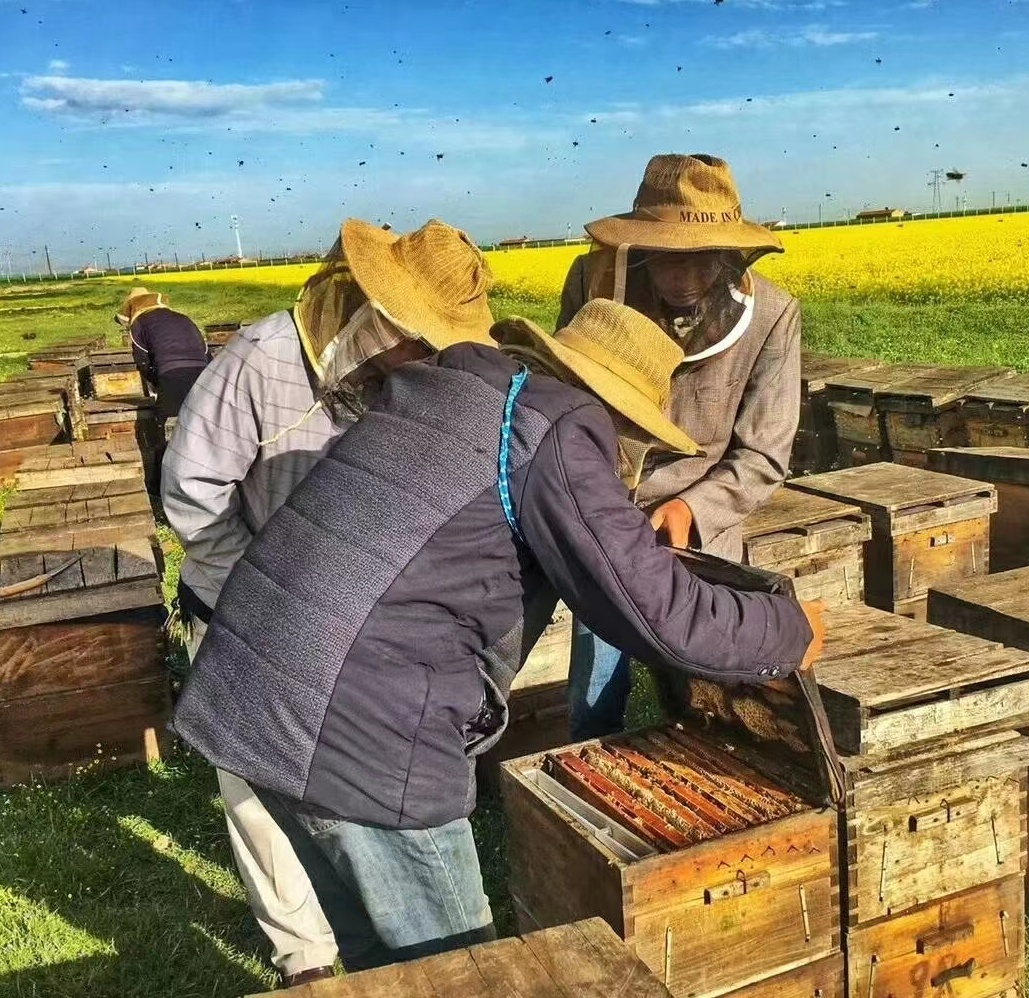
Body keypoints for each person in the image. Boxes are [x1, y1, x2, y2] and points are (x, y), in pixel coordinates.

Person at [172, 296, 825, 974]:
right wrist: (785, 628)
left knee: (374, 962)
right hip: (359, 733)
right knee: (462, 973)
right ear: (612, 406)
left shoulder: (448, 391)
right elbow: (658, 612)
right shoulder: (557, 430)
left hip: (250, 694)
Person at [162, 218, 495, 987]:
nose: (422, 357)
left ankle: (372, 933)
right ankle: (303, 957)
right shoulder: (259, 360)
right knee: (253, 783)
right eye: (414, 338)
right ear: (369, 306)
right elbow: (192, 493)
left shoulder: (409, 371)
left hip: (355, 623)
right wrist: (261, 592)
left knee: (345, 785)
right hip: (239, 609)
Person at [558, 153, 803, 739]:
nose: (684, 278)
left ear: (729, 253)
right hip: (603, 514)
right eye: (667, 258)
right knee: (596, 688)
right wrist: (595, 500)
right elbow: (563, 396)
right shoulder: (590, 285)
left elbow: (764, 454)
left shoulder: (773, 316)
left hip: (703, 528)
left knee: (713, 702)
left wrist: (691, 509)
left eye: (700, 259)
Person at [116, 287, 209, 419]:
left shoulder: (139, 323)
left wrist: (157, 381)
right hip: (203, 374)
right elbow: (206, 351)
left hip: (170, 374)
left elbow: (142, 362)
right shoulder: (183, 318)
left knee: (169, 425)